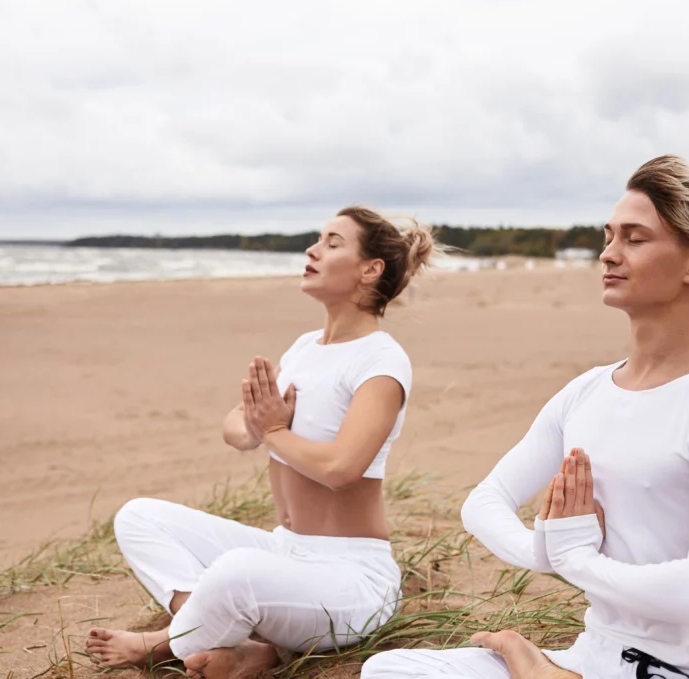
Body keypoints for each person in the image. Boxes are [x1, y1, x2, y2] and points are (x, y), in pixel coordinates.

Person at [361, 155, 689, 679]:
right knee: (389, 671)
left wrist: (581, 562)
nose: (608, 254)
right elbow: (484, 503)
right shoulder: (586, 393)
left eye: (635, 238)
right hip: (596, 655)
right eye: (609, 235)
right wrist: (546, 551)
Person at [85, 206, 439, 679]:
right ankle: (242, 643)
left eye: (333, 243)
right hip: (286, 550)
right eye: (317, 239)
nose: (313, 250)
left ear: (370, 269)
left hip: (351, 580)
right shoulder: (305, 347)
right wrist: (259, 425)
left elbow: (341, 468)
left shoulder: (382, 362)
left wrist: (273, 431)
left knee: (237, 571)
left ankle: (165, 643)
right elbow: (235, 429)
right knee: (139, 517)